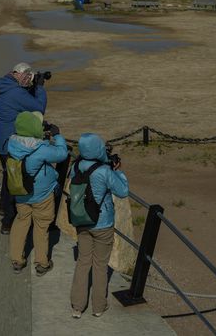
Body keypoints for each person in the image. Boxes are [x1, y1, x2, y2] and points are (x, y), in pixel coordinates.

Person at [69, 133, 129, 319]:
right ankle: (98, 306)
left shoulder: (75, 167)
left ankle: (77, 306)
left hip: (82, 221)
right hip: (102, 224)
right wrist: (117, 170)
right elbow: (123, 191)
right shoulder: (104, 171)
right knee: (100, 265)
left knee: (83, 262)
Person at [8, 111, 68, 276]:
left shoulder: (12, 143)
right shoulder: (40, 149)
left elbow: (28, 141)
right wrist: (57, 136)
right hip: (42, 195)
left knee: (21, 221)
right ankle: (42, 263)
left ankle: (16, 260)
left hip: (20, 191)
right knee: (41, 226)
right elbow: (61, 154)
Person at [0, 62, 47, 234]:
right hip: (11, 144)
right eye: (27, 76)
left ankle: (2, 208)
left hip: (1, 141)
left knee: (8, 174)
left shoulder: (4, 86)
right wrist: (39, 87)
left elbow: (21, 98)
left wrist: (30, 85)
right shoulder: (15, 92)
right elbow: (39, 107)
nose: (28, 80)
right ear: (20, 75)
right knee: (14, 180)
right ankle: (8, 222)